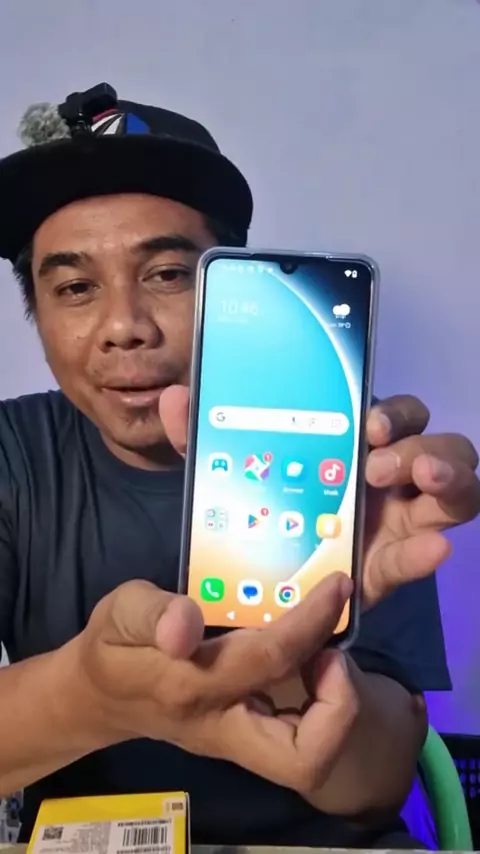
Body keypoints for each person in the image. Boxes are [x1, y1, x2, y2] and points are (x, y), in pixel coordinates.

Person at [0, 81, 478, 849]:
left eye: (167, 274)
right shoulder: (11, 455)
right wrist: (94, 695)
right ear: (38, 312)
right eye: (77, 287)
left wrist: (300, 682)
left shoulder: (347, 458)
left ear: (236, 293)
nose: (124, 326)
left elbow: (378, 784)